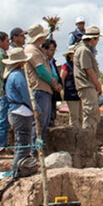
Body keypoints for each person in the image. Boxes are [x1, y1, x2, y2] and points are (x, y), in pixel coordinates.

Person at [24, 23, 61, 156]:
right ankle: (35, 151)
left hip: (44, 90)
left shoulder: (37, 50)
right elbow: (41, 71)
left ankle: (39, 149)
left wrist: (54, 79)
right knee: (39, 123)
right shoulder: (31, 51)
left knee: (43, 123)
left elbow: (49, 70)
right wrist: (54, 83)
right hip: (39, 89)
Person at [2, 48, 34, 178]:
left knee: (22, 143)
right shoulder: (18, 76)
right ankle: (16, 171)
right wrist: (35, 108)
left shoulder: (11, 75)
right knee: (23, 144)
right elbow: (26, 94)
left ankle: (19, 169)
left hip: (16, 111)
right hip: (21, 112)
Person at [74, 25, 103, 135]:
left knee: (92, 113)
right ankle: (87, 140)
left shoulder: (85, 50)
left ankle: (90, 139)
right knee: (90, 113)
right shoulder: (84, 50)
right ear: (92, 39)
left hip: (87, 85)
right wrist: (97, 84)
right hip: (86, 85)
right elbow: (88, 69)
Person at [60, 45, 81, 127]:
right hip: (71, 93)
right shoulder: (66, 66)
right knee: (74, 116)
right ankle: (74, 134)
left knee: (81, 116)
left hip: (79, 92)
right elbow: (62, 78)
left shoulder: (79, 65)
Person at [42, 39, 61, 127]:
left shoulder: (52, 61)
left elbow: (56, 74)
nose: (53, 52)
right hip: (47, 89)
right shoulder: (42, 61)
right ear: (44, 49)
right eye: (51, 50)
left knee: (52, 111)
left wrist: (60, 84)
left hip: (54, 90)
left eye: (54, 50)